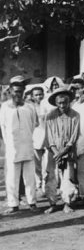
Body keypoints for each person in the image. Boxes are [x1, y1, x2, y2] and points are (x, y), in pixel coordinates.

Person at [0, 76, 39, 214]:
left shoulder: (30, 106)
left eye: (20, 91)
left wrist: (27, 138)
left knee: (29, 176)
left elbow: (34, 124)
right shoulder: (4, 107)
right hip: (12, 147)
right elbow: (2, 127)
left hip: (27, 145)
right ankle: (13, 204)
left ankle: (32, 202)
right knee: (11, 176)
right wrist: (9, 143)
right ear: (10, 91)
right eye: (15, 91)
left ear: (24, 91)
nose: (18, 94)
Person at [44, 87, 80, 213]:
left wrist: (64, 151)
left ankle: (67, 203)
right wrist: (56, 152)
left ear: (68, 102)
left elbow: (74, 136)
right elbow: (48, 136)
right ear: (55, 103)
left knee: (68, 177)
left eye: (64, 102)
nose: (62, 105)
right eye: (59, 103)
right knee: (51, 176)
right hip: (53, 152)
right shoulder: (50, 116)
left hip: (68, 151)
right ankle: (52, 203)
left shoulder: (75, 115)